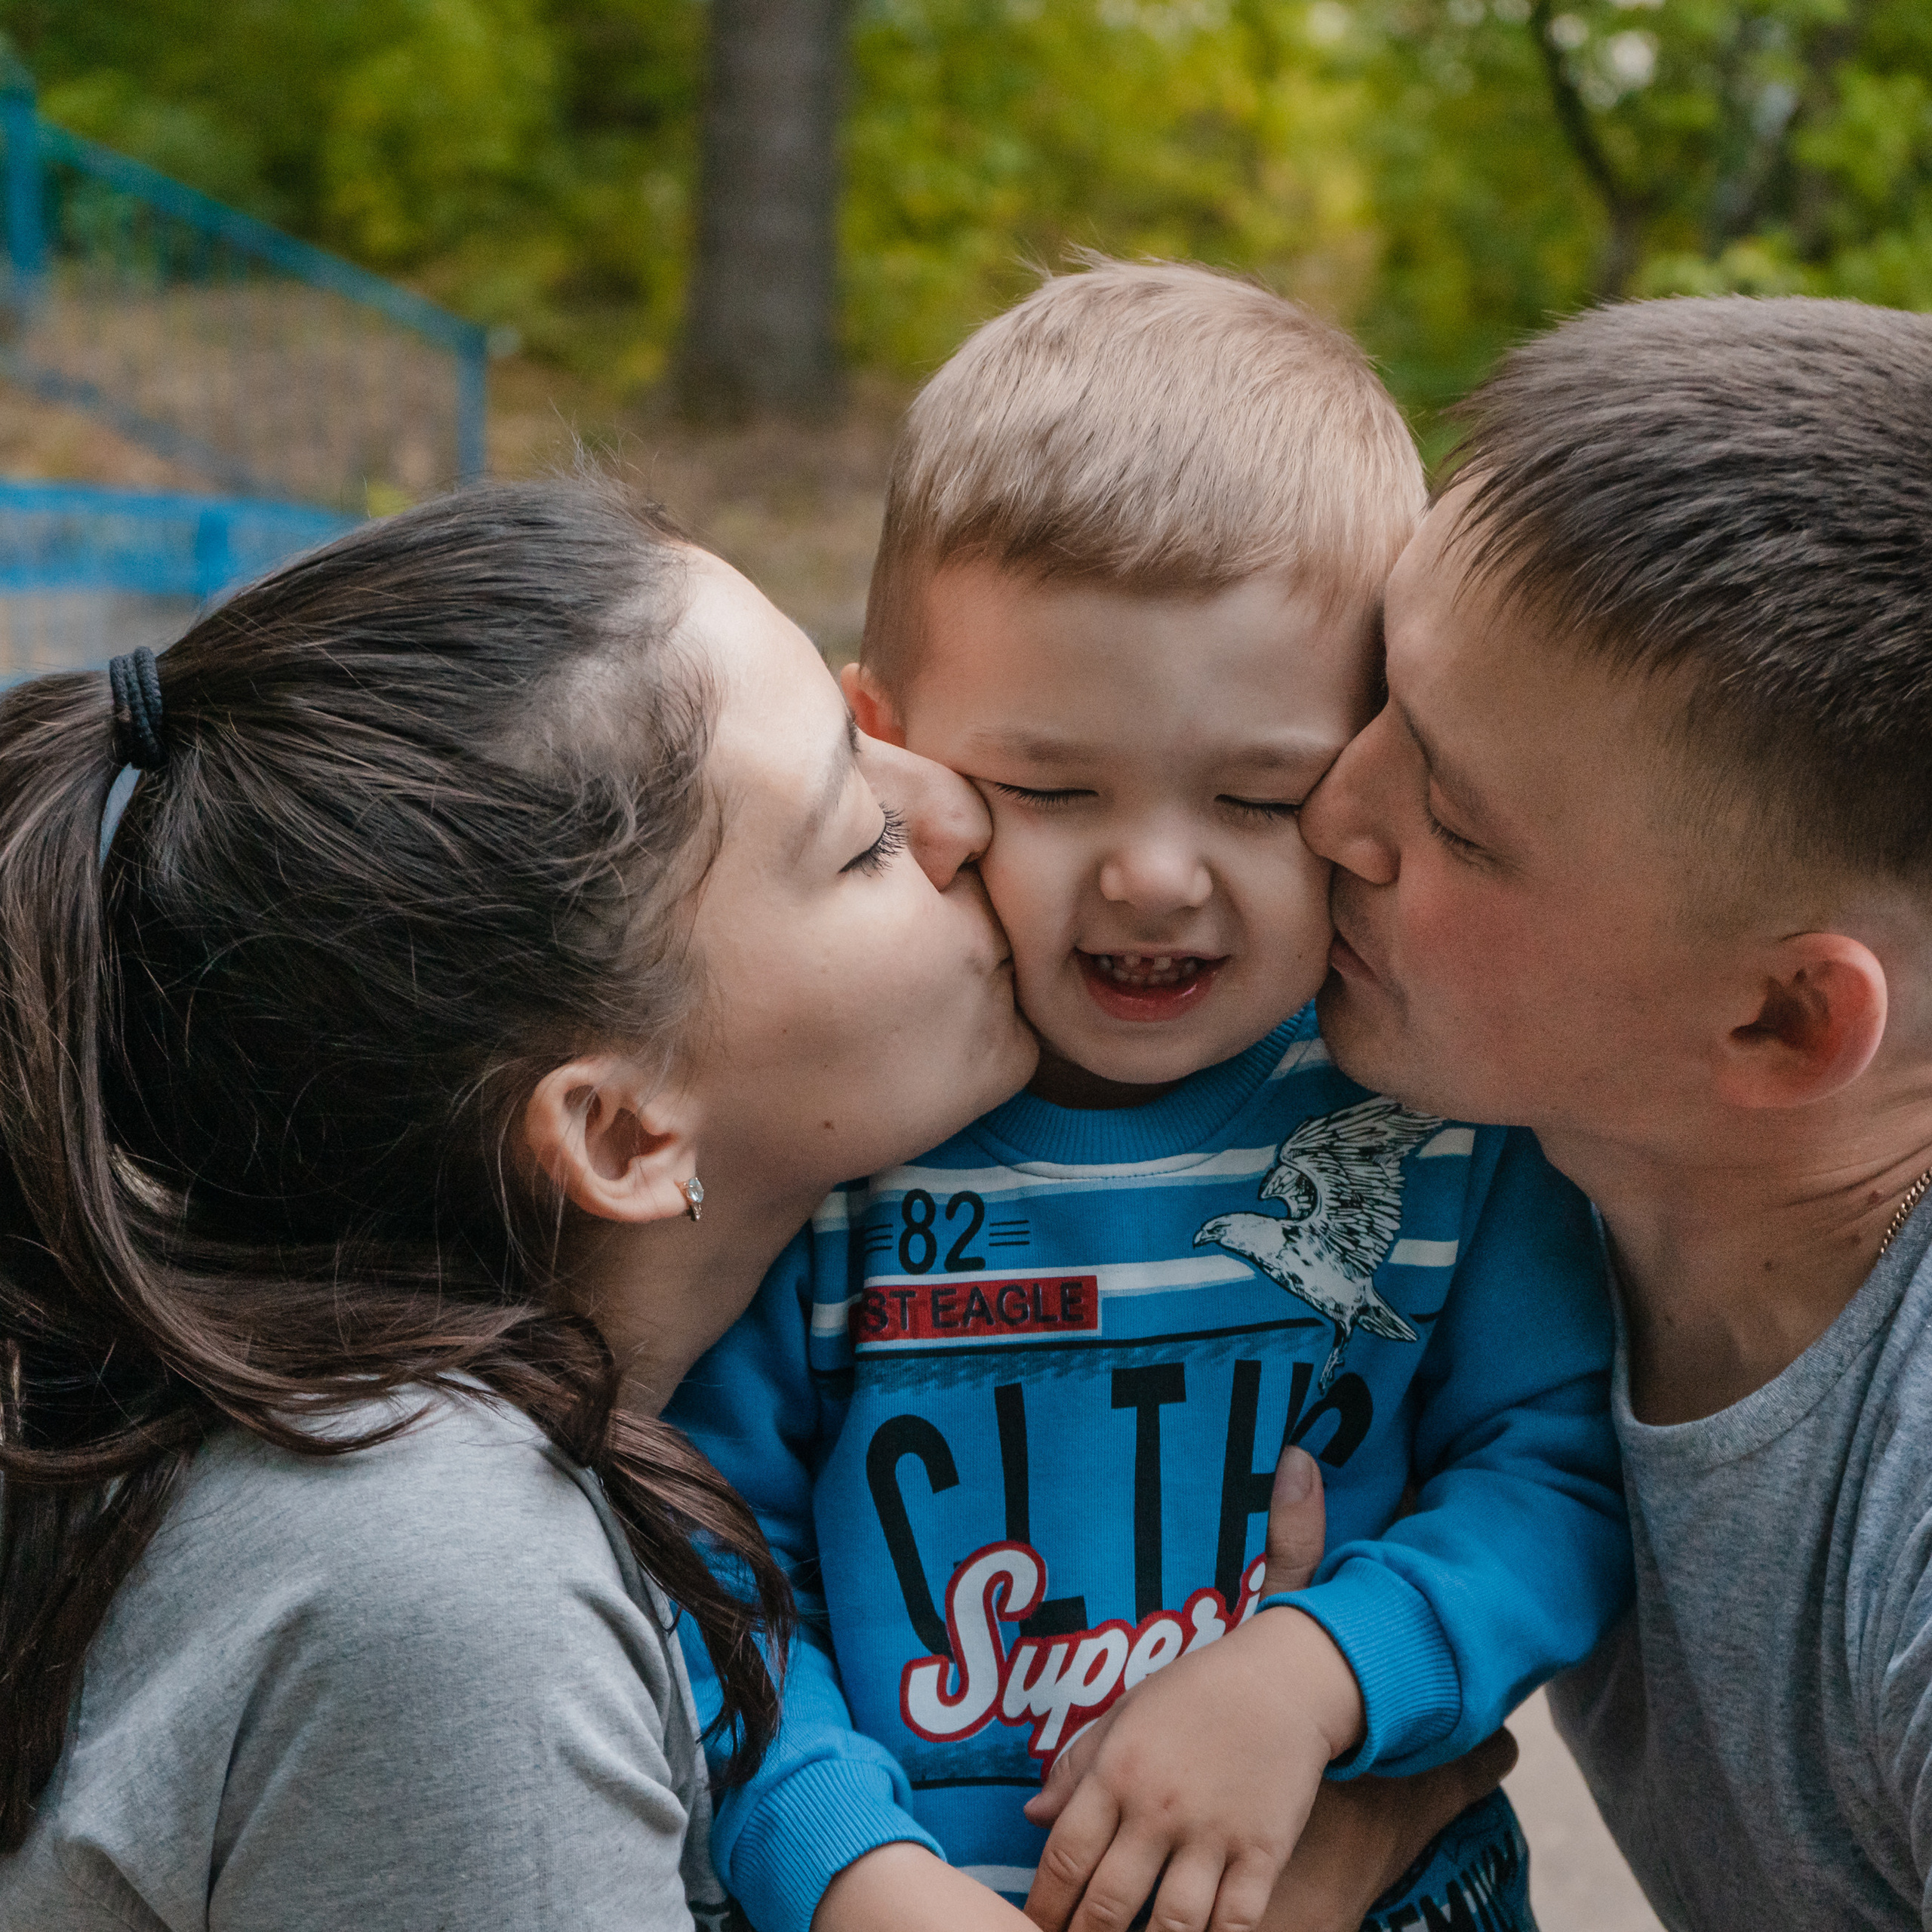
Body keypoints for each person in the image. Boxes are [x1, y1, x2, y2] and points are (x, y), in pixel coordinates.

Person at [666, 260, 1629, 1932]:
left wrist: (1318, 1670)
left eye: (1259, 798)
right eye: (1049, 788)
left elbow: (1555, 1471)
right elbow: (703, 1546)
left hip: (1379, 1888)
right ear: (888, 747)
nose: (1156, 877)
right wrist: (847, 1871)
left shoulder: (1435, 1119)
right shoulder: (832, 1125)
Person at [0, 479, 1040, 1930]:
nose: (962, 812)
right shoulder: (442, 1565)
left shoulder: (368, 1459)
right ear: (620, 1134)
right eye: (861, 835)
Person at [1299, 294, 1932, 1929]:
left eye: (1451, 818)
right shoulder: (1527, 1130)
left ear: (1782, 1020)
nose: (1328, 808)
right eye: (1375, 690)